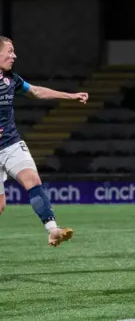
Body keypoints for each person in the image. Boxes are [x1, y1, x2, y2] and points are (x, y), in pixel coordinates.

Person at [0, 36, 88, 246]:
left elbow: (37, 92)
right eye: (10, 51)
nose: (14, 55)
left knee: (33, 180)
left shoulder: (12, 79)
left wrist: (71, 96)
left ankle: (53, 230)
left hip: (11, 143)